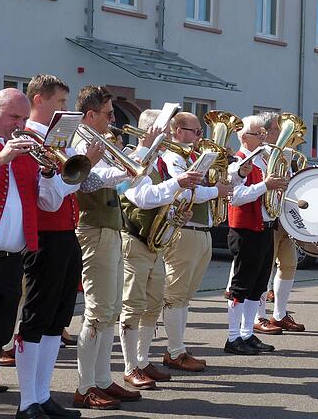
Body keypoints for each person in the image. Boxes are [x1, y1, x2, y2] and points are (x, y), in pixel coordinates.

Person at [14, 75, 104, 419]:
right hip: (43, 237)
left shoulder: (59, 142)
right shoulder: (28, 139)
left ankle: (42, 394)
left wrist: (86, 167)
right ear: (39, 100)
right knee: (37, 318)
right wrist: (83, 169)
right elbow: (48, 199)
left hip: (67, 233)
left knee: (57, 318)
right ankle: (27, 403)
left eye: (66, 104)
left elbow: (77, 185)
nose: (65, 110)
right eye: (60, 103)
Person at [0, 88, 70, 419]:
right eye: (13, 117)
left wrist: (48, 175)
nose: (19, 125)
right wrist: (0, 159)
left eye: (21, 118)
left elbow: (49, 203)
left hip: (12, 261)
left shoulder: (30, 152)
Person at [119, 110, 202, 388]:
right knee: (132, 306)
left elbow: (162, 201)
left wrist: (176, 214)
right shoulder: (134, 159)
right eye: (165, 131)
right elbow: (142, 198)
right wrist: (177, 184)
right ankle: (131, 366)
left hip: (154, 243)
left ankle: (142, 361)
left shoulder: (159, 163)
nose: (170, 136)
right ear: (149, 132)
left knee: (152, 305)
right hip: (134, 239)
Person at [73, 86, 141, 410]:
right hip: (94, 228)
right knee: (98, 311)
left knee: (111, 310)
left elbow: (114, 179)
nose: (113, 119)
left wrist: (129, 166)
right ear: (90, 115)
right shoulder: (80, 142)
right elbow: (88, 181)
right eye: (108, 113)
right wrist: (123, 171)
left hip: (111, 227)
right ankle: (85, 385)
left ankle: (102, 379)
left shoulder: (100, 141)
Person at [161, 112, 231, 372]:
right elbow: (185, 192)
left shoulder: (192, 157)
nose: (201, 137)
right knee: (175, 294)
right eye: (196, 131)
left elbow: (217, 187)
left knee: (185, 296)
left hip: (202, 231)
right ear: (178, 131)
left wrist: (236, 176)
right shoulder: (173, 158)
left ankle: (178, 347)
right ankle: (174, 350)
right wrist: (216, 191)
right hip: (185, 230)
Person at [223, 115, 287, 355]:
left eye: (263, 134)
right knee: (241, 285)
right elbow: (236, 197)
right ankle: (232, 338)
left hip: (264, 228)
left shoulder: (262, 161)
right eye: (258, 134)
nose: (263, 137)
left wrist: (278, 186)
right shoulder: (237, 162)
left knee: (258, 286)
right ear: (243, 137)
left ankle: (247, 334)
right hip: (245, 230)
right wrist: (266, 186)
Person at [253, 112, 306, 335]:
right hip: (266, 218)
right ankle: (259, 316)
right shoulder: (258, 156)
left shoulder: (284, 155)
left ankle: (280, 313)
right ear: (266, 133)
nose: (284, 132)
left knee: (289, 264)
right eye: (278, 128)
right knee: (263, 269)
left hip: (285, 217)